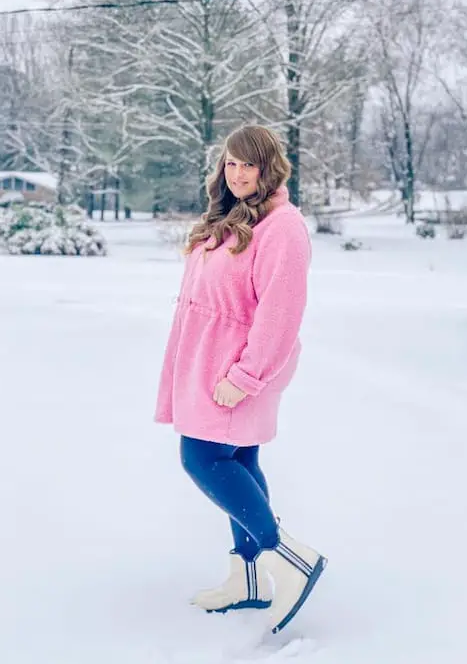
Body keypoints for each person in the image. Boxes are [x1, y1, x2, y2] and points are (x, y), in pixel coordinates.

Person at [154, 124, 327, 635]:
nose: (237, 173)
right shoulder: (230, 216)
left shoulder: (284, 226)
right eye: (230, 162)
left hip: (239, 367)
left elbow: (281, 311)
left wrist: (247, 375)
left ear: (268, 166)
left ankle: (287, 558)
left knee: (201, 456)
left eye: (248, 164)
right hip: (206, 361)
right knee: (238, 457)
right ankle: (248, 579)